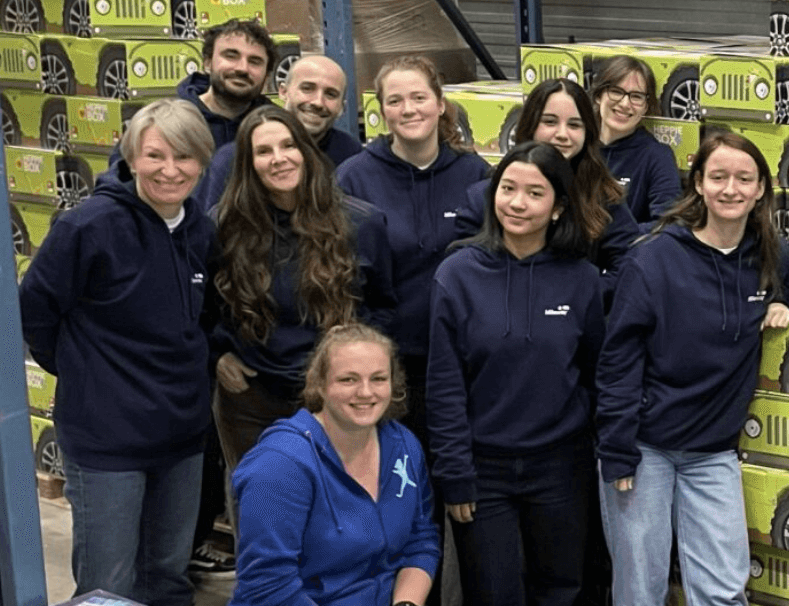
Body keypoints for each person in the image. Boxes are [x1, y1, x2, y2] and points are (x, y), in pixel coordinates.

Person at [596, 127, 789, 606]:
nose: (731, 189)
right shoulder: (653, 258)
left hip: (711, 450)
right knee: (639, 589)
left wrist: (778, 301)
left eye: (744, 179)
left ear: (761, 190)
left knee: (721, 588)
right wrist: (617, 450)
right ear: (697, 182)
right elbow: (618, 358)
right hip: (645, 448)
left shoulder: (765, 253)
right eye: (719, 176)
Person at [428, 143, 606, 606]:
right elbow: (444, 385)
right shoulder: (458, 273)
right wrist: (455, 474)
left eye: (535, 193)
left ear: (558, 207)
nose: (518, 203)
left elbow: (595, 373)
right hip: (485, 468)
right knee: (493, 588)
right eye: (509, 189)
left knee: (561, 586)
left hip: (562, 465)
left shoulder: (581, 281)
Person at [20, 100, 217, 606]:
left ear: (202, 162)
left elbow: (207, 317)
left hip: (181, 435)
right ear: (130, 158)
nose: (170, 170)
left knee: (169, 577)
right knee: (109, 590)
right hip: (107, 439)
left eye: (184, 157)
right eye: (155, 155)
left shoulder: (201, 230)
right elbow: (35, 309)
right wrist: (85, 372)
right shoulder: (88, 227)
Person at [227, 324, 481, 606]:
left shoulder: (402, 446)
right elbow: (269, 586)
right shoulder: (279, 466)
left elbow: (421, 539)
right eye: (348, 379)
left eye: (378, 379)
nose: (366, 393)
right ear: (320, 384)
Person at [207, 107, 397, 509]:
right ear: (248, 163)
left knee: (338, 518)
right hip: (252, 401)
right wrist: (217, 354)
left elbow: (383, 308)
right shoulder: (221, 228)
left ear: (306, 151)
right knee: (263, 516)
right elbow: (198, 308)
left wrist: (356, 366)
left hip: (337, 400)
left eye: (288, 145)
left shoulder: (361, 223)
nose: (278, 158)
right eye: (263, 151)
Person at [335, 57, 491, 445]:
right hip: (388, 363)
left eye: (419, 97)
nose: (408, 109)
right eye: (395, 101)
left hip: (464, 358)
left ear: (440, 104)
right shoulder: (353, 177)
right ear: (382, 111)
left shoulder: (475, 174)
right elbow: (336, 272)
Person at [457, 78, 637, 275]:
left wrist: (584, 294)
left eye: (575, 125)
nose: (562, 134)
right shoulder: (483, 196)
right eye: (550, 122)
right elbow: (463, 270)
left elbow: (628, 265)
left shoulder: (605, 196)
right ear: (529, 125)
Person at [194, 55, 361, 210]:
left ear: (342, 107)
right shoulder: (233, 158)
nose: (318, 102)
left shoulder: (351, 156)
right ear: (283, 91)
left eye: (331, 94)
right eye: (307, 88)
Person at [591, 55, 682, 227]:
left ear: (646, 106)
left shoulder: (657, 156)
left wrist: (618, 240)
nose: (625, 104)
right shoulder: (579, 147)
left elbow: (666, 224)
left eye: (636, 96)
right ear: (598, 95)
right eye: (616, 91)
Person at [179, 18, 276, 149]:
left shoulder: (280, 126)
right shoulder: (173, 122)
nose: (242, 68)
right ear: (207, 62)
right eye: (231, 56)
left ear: (267, 75)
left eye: (254, 61)